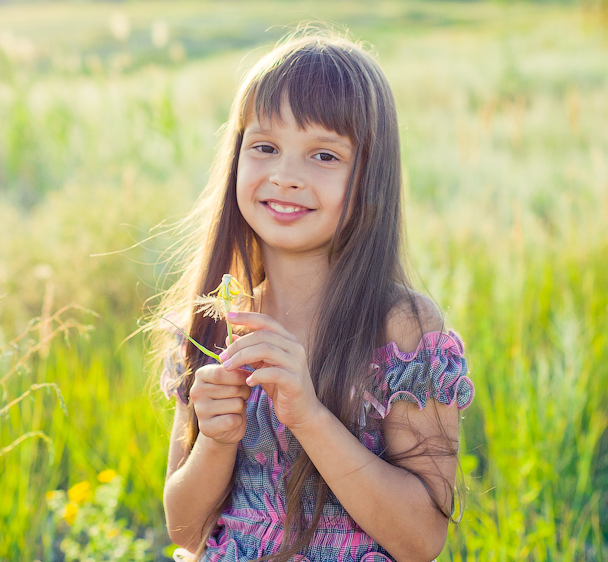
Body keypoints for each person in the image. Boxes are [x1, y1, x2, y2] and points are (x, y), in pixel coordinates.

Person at [148, 29, 475, 562]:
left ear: (370, 175)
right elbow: (184, 530)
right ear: (236, 157)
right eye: (265, 147)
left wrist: (309, 415)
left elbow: (422, 540)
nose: (285, 176)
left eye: (324, 155)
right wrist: (216, 440)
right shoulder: (215, 324)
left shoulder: (403, 328)